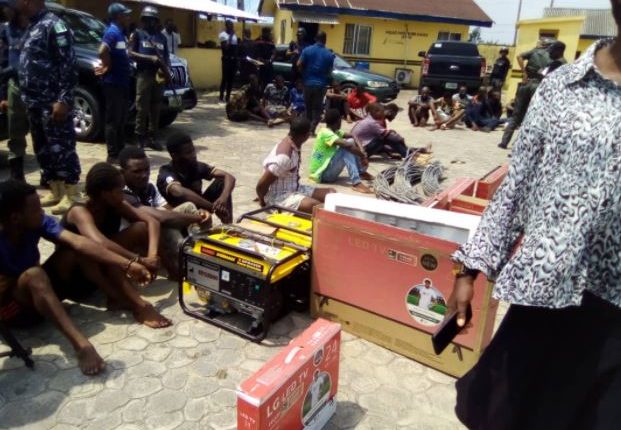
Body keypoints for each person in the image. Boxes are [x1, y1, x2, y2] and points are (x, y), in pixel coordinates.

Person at [449, 6, 621, 427]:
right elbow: (519, 183)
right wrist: (471, 268)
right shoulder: (564, 85)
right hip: (548, 289)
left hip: (615, 312)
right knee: (508, 412)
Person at [0, 179, 152, 375]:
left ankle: (115, 298)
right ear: (15, 218)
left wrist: (128, 264)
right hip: (12, 311)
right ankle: (82, 347)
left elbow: (79, 243)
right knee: (35, 275)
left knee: (74, 250)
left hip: (33, 292)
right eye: (36, 209)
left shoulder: (36, 223)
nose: (42, 212)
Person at [54, 163, 172, 329]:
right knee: (96, 251)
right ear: (105, 194)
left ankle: (174, 271)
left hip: (103, 262)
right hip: (77, 276)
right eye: (120, 190)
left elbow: (151, 222)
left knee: (140, 228)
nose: (123, 194)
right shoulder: (79, 211)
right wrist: (138, 260)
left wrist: (152, 256)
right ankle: (138, 305)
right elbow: (100, 243)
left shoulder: (116, 203)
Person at [18, 0, 81, 215]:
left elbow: (68, 64)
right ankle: (56, 190)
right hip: (34, 101)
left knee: (61, 147)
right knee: (43, 148)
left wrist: (64, 99)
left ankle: (72, 193)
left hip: (52, 101)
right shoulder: (33, 25)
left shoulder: (55, 25)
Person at [119, 146, 211, 279]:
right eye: (137, 171)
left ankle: (201, 250)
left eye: (146, 169)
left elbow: (168, 210)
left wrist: (199, 214)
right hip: (136, 247)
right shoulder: (121, 193)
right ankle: (183, 261)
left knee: (188, 207)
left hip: (153, 236)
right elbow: (160, 217)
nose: (144, 175)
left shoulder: (148, 187)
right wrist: (196, 217)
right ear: (122, 172)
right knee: (166, 225)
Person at [256, 117, 335, 214]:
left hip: (295, 188)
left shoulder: (294, 143)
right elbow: (261, 185)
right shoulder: (284, 157)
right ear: (306, 135)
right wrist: (262, 201)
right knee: (316, 207)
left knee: (331, 194)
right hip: (279, 197)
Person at [157, 132, 236, 224]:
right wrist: (213, 207)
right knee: (189, 205)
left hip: (200, 206)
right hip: (179, 214)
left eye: (193, 150)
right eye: (188, 153)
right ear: (174, 156)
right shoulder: (166, 172)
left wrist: (223, 198)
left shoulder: (195, 166)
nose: (194, 155)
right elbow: (179, 192)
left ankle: (228, 225)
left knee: (221, 182)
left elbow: (229, 177)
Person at [498, 37, 553, 149]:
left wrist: (524, 72)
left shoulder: (534, 51)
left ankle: (504, 142)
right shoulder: (551, 56)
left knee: (516, 114)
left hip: (526, 83)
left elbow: (519, 56)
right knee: (531, 115)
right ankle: (519, 145)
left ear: (541, 44)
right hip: (538, 85)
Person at [129, 6, 170, 151]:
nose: (151, 22)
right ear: (143, 20)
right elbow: (130, 53)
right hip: (144, 75)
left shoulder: (162, 38)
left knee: (156, 108)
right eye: (148, 19)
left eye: (153, 20)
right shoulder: (137, 34)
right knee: (142, 108)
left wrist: (167, 71)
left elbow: (166, 57)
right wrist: (149, 58)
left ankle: (153, 137)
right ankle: (140, 137)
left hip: (158, 77)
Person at [96, 3, 132, 165]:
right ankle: (112, 155)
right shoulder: (112, 32)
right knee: (113, 120)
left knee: (121, 119)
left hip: (122, 83)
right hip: (113, 83)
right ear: (118, 16)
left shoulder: (120, 33)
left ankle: (121, 151)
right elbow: (102, 50)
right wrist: (107, 66)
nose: (128, 17)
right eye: (126, 15)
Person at [309, 109, 373, 194]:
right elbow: (348, 146)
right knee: (346, 148)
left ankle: (361, 172)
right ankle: (356, 183)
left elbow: (353, 135)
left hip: (327, 170)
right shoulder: (325, 133)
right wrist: (363, 156)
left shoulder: (335, 131)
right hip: (322, 175)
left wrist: (362, 150)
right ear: (338, 121)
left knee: (350, 141)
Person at [0, 0, 28, 182]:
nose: (5, 11)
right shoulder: (6, 30)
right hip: (15, 87)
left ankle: (50, 177)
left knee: (42, 134)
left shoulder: (35, 28)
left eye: (7, 7)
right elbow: (3, 63)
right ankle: (17, 176)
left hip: (37, 89)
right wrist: (3, 95)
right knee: (15, 133)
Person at [298, 32, 335, 134]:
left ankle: (306, 129)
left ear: (315, 39)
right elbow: (329, 72)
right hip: (321, 85)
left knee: (308, 108)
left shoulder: (307, 50)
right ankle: (312, 129)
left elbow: (299, 64)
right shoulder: (329, 54)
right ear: (325, 40)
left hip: (308, 83)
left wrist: (304, 74)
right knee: (317, 109)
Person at [218, 20, 238, 104]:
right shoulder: (223, 35)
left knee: (231, 79)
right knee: (225, 78)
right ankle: (221, 96)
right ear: (226, 26)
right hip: (226, 59)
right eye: (230, 25)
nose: (232, 27)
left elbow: (235, 48)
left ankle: (228, 97)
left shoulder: (234, 36)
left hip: (233, 60)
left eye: (232, 25)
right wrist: (231, 36)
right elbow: (225, 47)